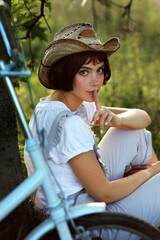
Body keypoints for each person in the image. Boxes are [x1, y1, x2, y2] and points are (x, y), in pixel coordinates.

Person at [24, 23, 160, 231]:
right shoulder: (68, 123)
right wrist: (151, 172)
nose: (96, 81)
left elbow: (142, 118)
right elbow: (104, 193)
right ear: (65, 71)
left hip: (75, 203)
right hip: (84, 225)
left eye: (99, 70)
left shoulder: (55, 105)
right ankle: (145, 222)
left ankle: (149, 216)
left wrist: (117, 120)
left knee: (137, 133)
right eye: (84, 72)